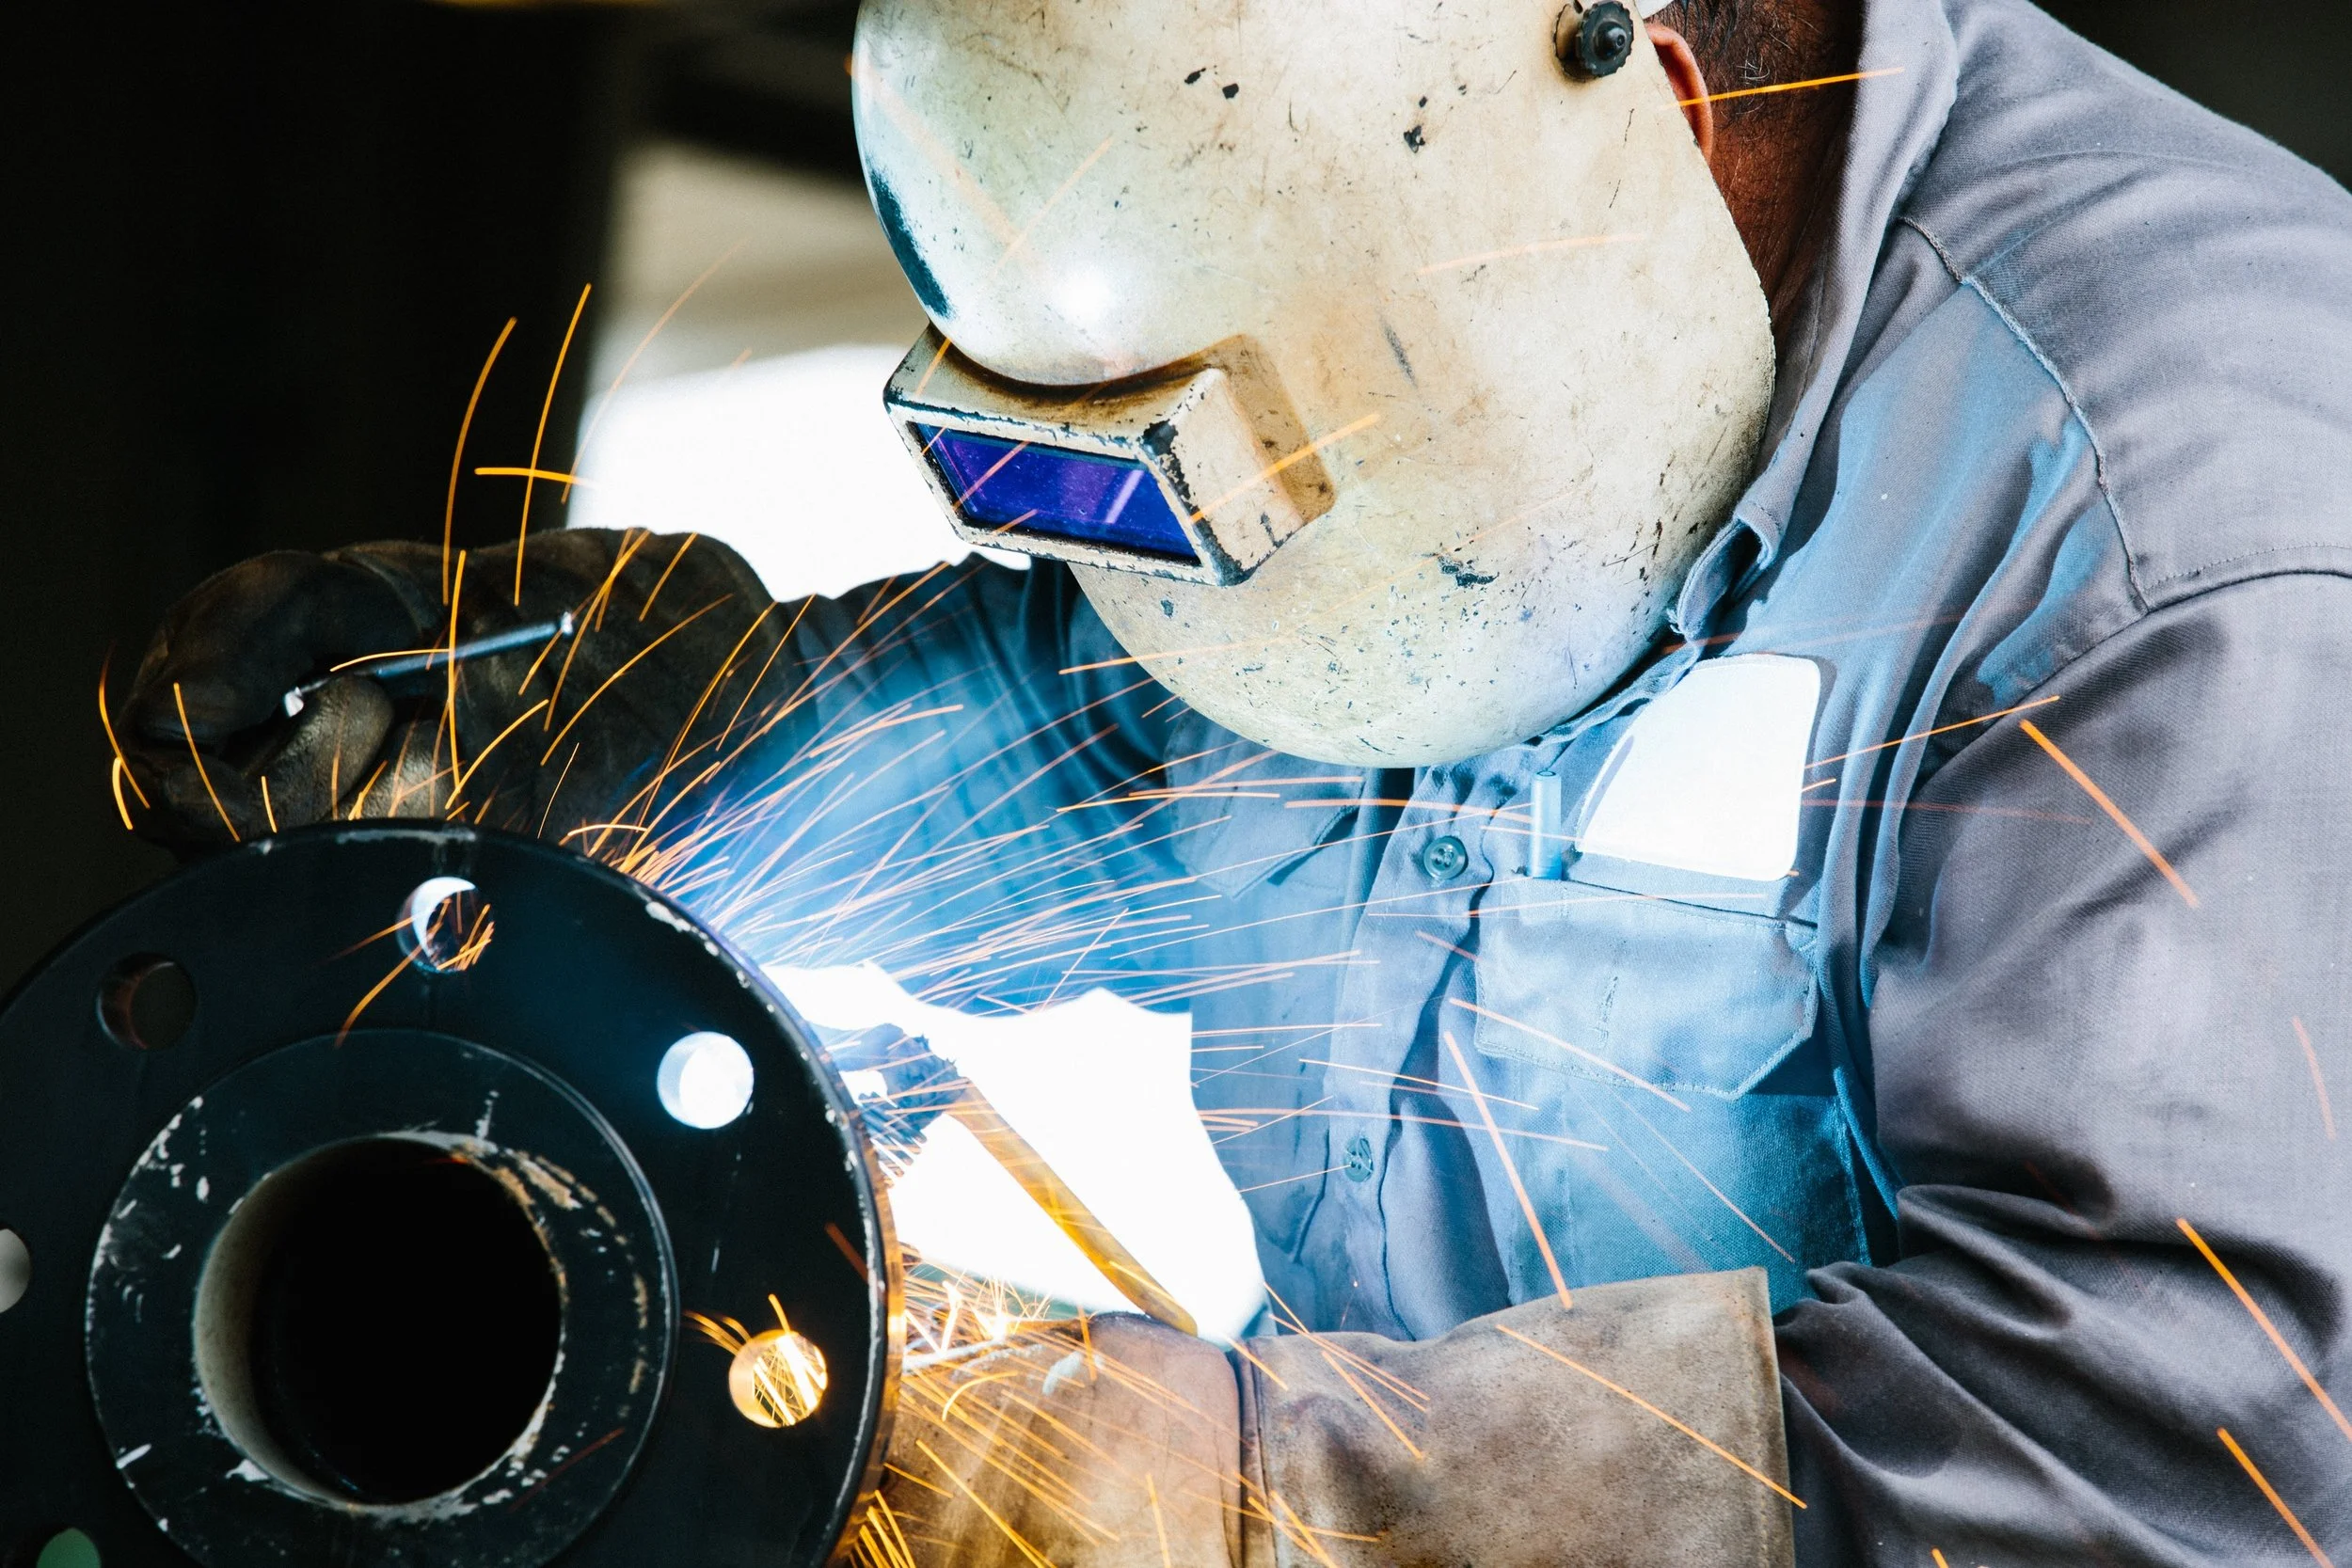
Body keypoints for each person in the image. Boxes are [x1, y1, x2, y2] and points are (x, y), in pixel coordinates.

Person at [119, 0, 2352, 1560]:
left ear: (1652, 103)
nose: (1186, 570)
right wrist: (605, 732)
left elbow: (2159, 1460)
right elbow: (1115, 728)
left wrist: (1221, 1503)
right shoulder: (1390, 304)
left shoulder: (2180, 529)